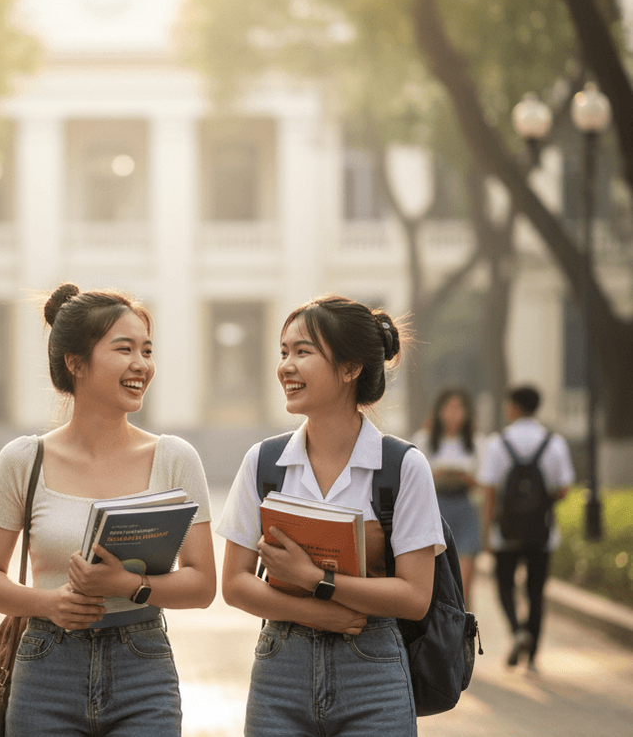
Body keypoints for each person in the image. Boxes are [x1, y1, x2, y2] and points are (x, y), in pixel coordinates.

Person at [0, 284, 216, 737]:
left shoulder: (175, 458)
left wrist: (132, 586)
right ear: (75, 362)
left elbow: (202, 584)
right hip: (46, 665)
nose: (141, 364)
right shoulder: (24, 460)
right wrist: (50, 604)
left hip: (142, 666)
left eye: (146, 350)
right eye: (124, 349)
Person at [217, 294, 445, 737]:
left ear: (350, 368)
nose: (286, 366)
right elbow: (235, 584)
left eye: (303, 352)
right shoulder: (264, 463)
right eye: (283, 352)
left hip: (373, 671)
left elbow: (416, 596)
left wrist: (314, 580)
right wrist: (317, 614)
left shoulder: (402, 467)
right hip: (280, 671)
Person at [478, 385, 574, 672]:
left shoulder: (499, 443)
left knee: (504, 584)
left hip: (505, 531)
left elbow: (489, 490)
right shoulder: (554, 443)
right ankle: (532, 655)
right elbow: (564, 489)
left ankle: (517, 630)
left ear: (515, 407)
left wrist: (488, 528)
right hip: (541, 532)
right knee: (536, 591)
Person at [413, 385, 480, 605]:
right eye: (448, 408)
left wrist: (465, 479)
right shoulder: (423, 441)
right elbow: (414, 483)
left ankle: (463, 633)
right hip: (435, 509)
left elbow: (485, 485)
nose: (453, 414)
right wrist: (438, 475)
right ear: (439, 411)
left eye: (459, 408)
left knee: (464, 583)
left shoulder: (476, 442)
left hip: (465, 508)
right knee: (436, 582)